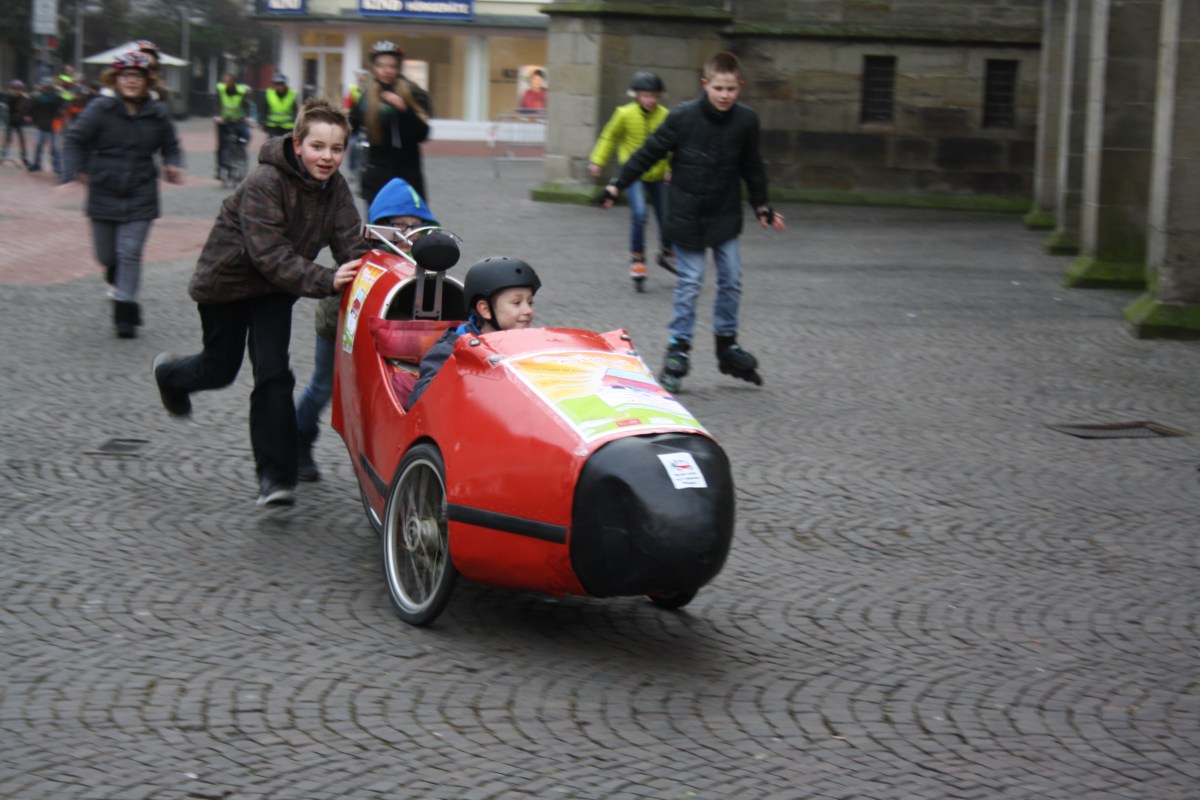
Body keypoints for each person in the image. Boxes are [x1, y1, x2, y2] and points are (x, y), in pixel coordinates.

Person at [151, 98, 368, 508]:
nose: (327, 157)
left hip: (274, 291)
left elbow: (350, 244)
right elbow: (268, 254)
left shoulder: (335, 188)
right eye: (318, 146)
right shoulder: (264, 183)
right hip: (226, 286)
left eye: (336, 149)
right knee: (220, 369)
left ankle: (276, 477)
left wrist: (377, 266)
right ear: (298, 143)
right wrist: (325, 280)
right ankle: (171, 376)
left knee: (273, 373)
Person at [599, 51, 786, 393]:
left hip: (724, 214)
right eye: (718, 88)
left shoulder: (746, 121)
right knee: (692, 280)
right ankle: (678, 348)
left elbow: (752, 166)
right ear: (706, 85)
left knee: (731, 278)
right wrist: (616, 184)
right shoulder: (683, 118)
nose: (725, 95)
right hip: (686, 216)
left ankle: (726, 345)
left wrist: (762, 206)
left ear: (739, 87)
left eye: (731, 88)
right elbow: (648, 152)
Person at [295, 176, 439, 481]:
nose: (407, 235)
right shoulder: (361, 252)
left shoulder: (424, 256)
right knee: (323, 387)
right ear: (381, 227)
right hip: (339, 326)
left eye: (415, 227)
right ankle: (299, 439)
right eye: (399, 227)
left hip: (390, 331)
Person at [61, 51, 184, 338]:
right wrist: (73, 172)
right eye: (125, 76)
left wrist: (172, 164)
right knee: (107, 256)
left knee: (129, 251)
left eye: (137, 77)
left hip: (141, 189)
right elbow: (74, 140)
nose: (131, 81)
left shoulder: (157, 113)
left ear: (147, 81)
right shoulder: (100, 109)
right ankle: (116, 278)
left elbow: (171, 145)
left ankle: (124, 312)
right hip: (104, 188)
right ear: (116, 79)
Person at [406, 256, 539, 410]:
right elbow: (419, 401)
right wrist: (465, 374)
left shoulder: (530, 344)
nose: (528, 310)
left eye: (530, 302)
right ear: (486, 310)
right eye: (517, 303)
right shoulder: (450, 350)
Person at [587, 70, 674, 288]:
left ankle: (666, 251)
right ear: (636, 96)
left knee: (666, 216)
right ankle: (637, 258)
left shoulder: (665, 115)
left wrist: (670, 168)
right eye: (646, 96)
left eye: (654, 96)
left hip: (657, 174)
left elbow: (673, 144)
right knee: (639, 214)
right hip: (633, 175)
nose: (651, 100)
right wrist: (597, 160)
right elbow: (609, 136)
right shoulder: (624, 114)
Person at [350, 40, 432, 204]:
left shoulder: (411, 93)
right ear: (373, 67)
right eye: (381, 65)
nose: (387, 71)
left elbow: (423, 134)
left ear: (398, 68)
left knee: (410, 227)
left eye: (392, 66)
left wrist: (404, 109)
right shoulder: (366, 96)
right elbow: (351, 127)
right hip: (377, 176)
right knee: (378, 227)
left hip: (408, 176)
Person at [213, 72, 254, 179]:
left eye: (228, 81)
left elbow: (246, 105)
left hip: (238, 120)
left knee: (246, 136)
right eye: (224, 81)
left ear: (233, 82)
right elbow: (217, 103)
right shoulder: (220, 89)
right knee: (222, 145)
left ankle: (239, 152)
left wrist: (248, 118)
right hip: (224, 121)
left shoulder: (241, 91)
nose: (225, 83)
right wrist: (217, 116)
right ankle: (219, 168)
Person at [28, 80, 65, 174]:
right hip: (44, 123)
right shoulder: (40, 97)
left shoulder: (54, 97)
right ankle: (43, 164)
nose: (47, 89)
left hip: (51, 124)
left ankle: (55, 165)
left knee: (52, 146)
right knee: (44, 145)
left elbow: (61, 108)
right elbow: (32, 108)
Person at [1, 79, 31, 168]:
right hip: (10, 121)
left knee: (22, 140)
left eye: (18, 89)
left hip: (18, 122)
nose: (16, 91)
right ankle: (3, 156)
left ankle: (24, 157)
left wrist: (21, 116)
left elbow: (25, 109)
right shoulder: (8, 97)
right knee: (7, 140)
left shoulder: (24, 98)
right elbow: (5, 107)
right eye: (14, 89)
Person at [262, 74, 297, 139]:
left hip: (287, 125)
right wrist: (263, 121)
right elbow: (264, 108)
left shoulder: (292, 94)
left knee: (287, 144)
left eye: (281, 84)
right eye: (276, 84)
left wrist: (296, 123)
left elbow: (295, 110)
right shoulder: (269, 93)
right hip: (272, 125)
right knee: (272, 144)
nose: (279, 86)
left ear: (285, 84)